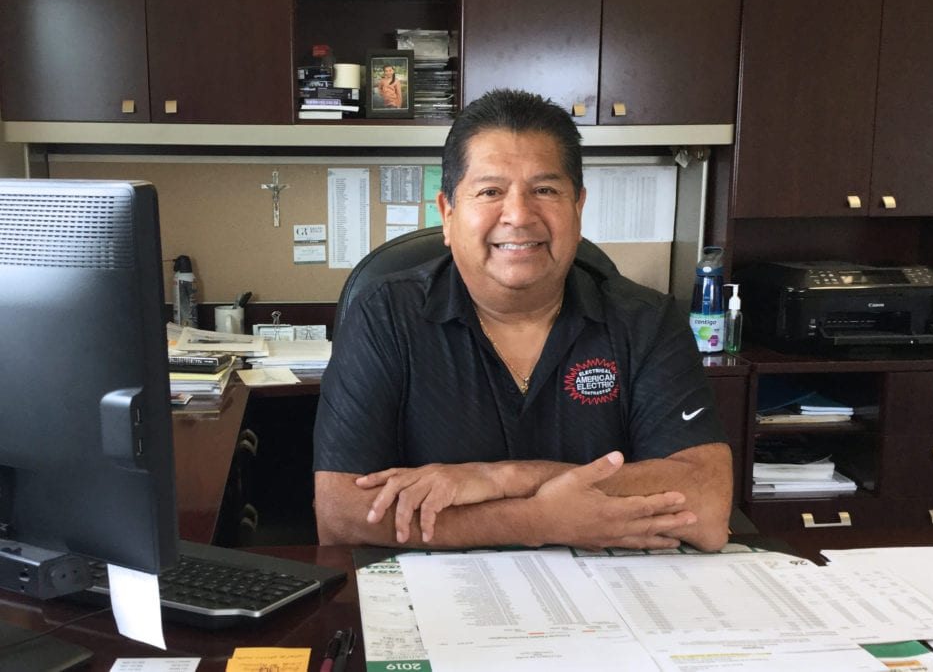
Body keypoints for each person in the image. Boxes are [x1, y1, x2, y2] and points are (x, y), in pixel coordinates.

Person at [313, 89, 733, 552]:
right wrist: (538, 521)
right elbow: (341, 516)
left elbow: (708, 504)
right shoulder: (383, 314)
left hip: (610, 588)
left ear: (577, 208)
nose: (518, 215)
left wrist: (500, 478)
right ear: (448, 214)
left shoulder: (647, 322)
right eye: (490, 192)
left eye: (545, 190)